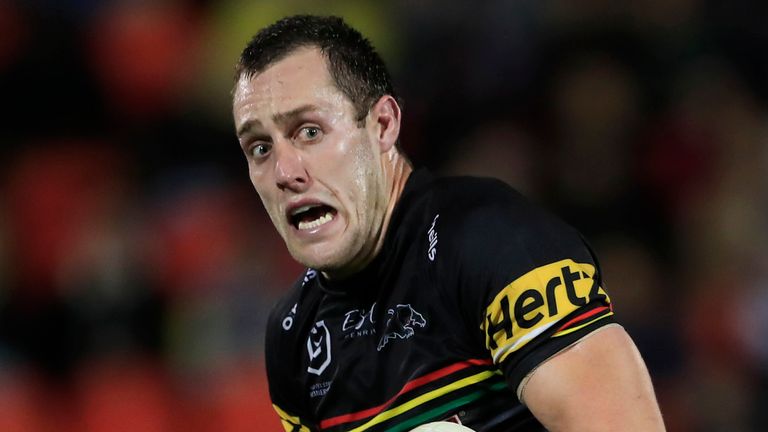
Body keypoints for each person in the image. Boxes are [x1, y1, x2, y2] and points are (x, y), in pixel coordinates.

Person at [231, 14, 665, 432]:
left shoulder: (494, 243)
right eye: (260, 148)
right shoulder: (293, 335)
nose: (285, 172)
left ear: (383, 125)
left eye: (309, 131)